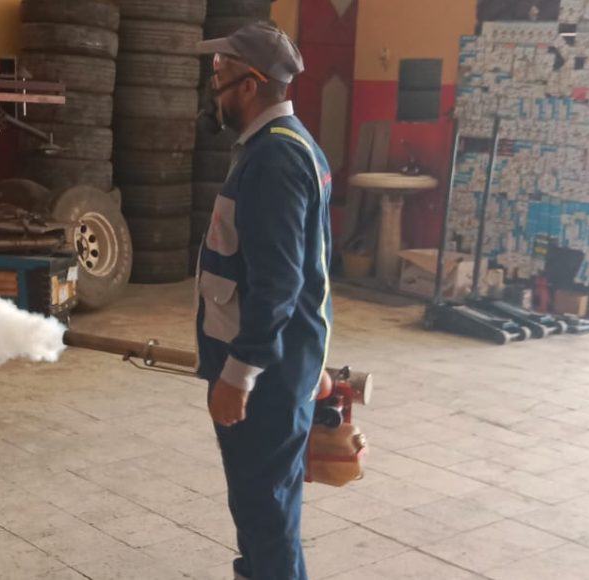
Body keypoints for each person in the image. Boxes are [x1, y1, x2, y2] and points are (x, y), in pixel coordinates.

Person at [193, 22, 333, 580]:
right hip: (283, 366)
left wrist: (239, 374)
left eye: (220, 75)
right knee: (261, 510)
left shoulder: (275, 159)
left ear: (249, 86)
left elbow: (280, 282)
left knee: (266, 514)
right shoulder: (280, 145)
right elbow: (308, 269)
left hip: (267, 379)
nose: (214, 88)